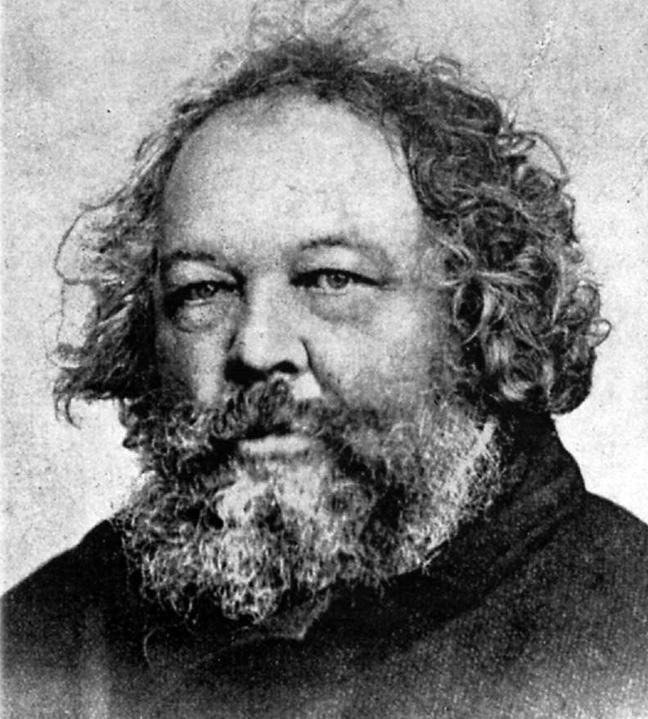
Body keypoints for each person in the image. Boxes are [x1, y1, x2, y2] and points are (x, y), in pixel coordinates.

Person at [3, 9, 648, 719]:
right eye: (202, 290)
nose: (256, 349)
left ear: (475, 309)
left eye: (330, 279)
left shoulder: (627, 632)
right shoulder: (40, 644)